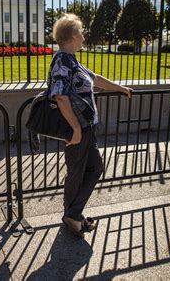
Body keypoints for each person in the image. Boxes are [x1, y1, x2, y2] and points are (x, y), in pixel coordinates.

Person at [48, 13, 133, 237]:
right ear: (73, 35)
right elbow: (60, 97)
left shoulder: (72, 60)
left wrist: (121, 88)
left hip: (86, 129)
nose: (84, 37)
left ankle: (73, 215)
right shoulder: (61, 61)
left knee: (94, 168)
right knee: (77, 173)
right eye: (81, 32)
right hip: (77, 130)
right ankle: (73, 217)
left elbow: (96, 79)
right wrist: (75, 129)